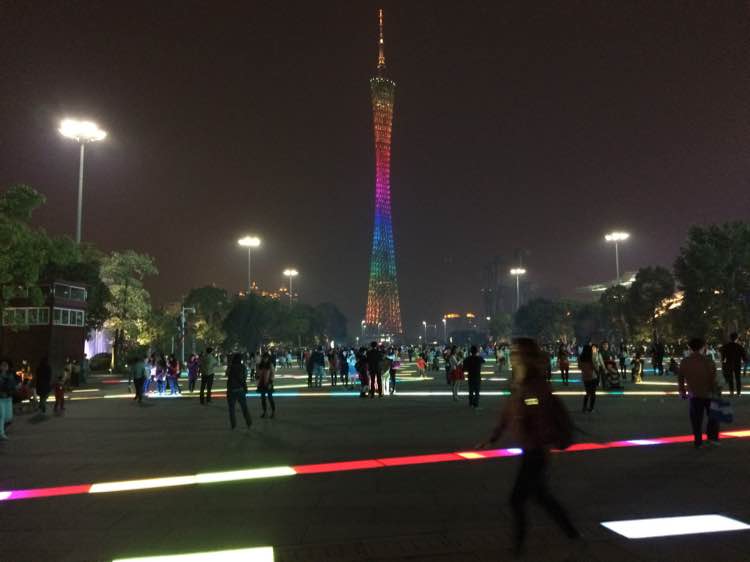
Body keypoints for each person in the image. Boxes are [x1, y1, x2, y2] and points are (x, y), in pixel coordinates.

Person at [476, 338, 580, 558]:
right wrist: (493, 438)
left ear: (528, 358)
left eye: (518, 353)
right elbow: (508, 412)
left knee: (517, 499)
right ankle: (572, 535)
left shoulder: (536, 386)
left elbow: (540, 417)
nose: (513, 356)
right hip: (530, 449)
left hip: (535, 451)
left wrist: (540, 442)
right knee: (541, 497)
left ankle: (519, 547)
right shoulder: (519, 382)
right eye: (513, 352)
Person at [679, 337, 720, 448]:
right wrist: (716, 391)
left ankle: (698, 441)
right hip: (709, 393)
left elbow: (681, 378)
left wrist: (682, 391)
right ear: (703, 347)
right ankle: (712, 438)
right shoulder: (708, 361)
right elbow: (714, 378)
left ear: (690, 348)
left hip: (694, 393)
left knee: (696, 418)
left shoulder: (685, 362)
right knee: (713, 416)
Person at [225, 353, 251, 430]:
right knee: (244, 407)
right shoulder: (243, 367)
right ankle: (248, 421)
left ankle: (233, 424)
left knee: (231, 408)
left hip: (231, 389)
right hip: (240, 389)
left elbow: (227, 374)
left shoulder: (230, 367)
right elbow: (245, 377)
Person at [0, 359, 17, 440]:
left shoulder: (10, 375)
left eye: (5, 365)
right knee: (2, 415)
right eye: (2, 365)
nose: (4, 367)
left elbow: (13, 386)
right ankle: (1, 433)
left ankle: (2, 429)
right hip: (1, 398)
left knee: (8, 417)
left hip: (8, 398)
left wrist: (14, 388)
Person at [256, 352, 276, 418]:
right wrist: (257, 380)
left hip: (268, 383)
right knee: (263, 399)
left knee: (270, 398)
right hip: (261, 384)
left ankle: (273, 411)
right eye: (264, 358)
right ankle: (265, 412)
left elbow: (273, 374)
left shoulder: (270, 365)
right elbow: (258, 374)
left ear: (268, 358)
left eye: (266, 358)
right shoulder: (260, 365)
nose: (265, 359)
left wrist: (270, 382)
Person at [579, 343, 597, 413]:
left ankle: (584, 407)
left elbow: (579, 367)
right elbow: (594, 367)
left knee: (587, 392)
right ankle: (591, 408)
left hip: (585, 377)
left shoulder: (580, 358)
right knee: (593, 393)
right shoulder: (591, 358)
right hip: (592, 376)